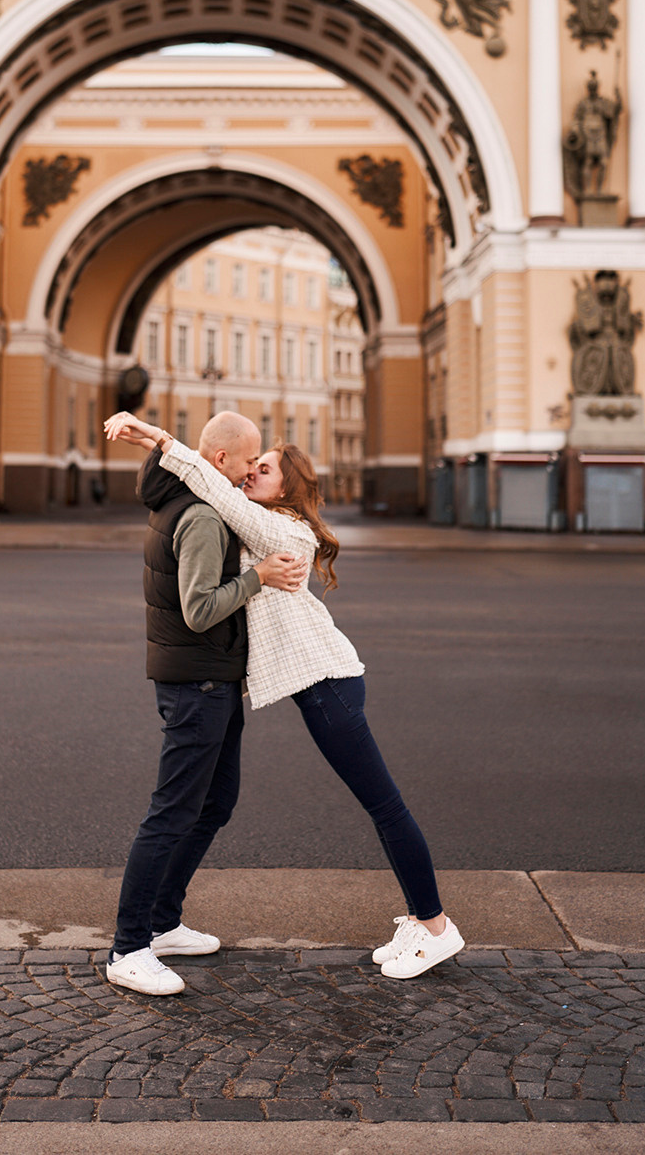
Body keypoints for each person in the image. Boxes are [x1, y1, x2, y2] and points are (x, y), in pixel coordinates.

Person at [105, 409, 464, 982]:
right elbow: (214, 487)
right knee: (362, 805)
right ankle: (156, 927)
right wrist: (157, 446)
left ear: (286, 488)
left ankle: (435, 927)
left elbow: (212, 484)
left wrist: (160, 439)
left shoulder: (286, 530)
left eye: (264, 468)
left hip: (329, 686)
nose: (252, 473)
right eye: (251, 463)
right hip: (307, 687)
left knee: (385, 806)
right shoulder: (252, 519)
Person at [106, 412, 306, 997]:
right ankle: (128, 947)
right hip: (198, 683)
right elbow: (198, 611)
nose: (250, 473)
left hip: (211, 679)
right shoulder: (200, 516)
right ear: (219, 460)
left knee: (215, 802)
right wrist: (259, 577)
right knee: (172, 813)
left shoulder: (198, 503)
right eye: (247, 461)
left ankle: (162, 923)